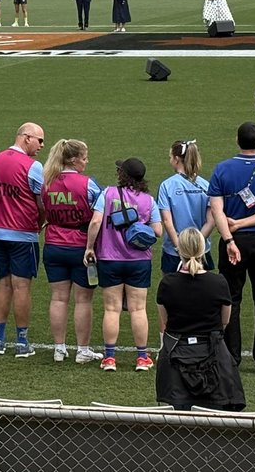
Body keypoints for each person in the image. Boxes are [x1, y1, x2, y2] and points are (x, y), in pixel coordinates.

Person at [209, 121, 255, 372]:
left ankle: (231, 357)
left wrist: (230, 237)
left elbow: (217, 210)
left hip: (232, 242)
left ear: (237, 140)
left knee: (231, 299)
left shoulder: (222, 170)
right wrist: (243, 224)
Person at [84, 157, 162, 372]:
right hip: (139, 260)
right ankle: (142, 358)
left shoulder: (107, 194)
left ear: (122, 174)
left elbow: (96, 221)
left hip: (109, 259)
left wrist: (90, 247)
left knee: (111, 309)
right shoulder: (148, 200)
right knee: (138, 309)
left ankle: (109, 358)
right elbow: (158, 231)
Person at [155, 228, 244, 411]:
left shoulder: (168, 283)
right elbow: (224, 322)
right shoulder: (219, 282)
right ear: (203, 250)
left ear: (180, 251)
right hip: (214, 355)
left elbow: (165, 323)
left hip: (176, 359)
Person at [0, 122, 46, 357]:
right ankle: (22, 341)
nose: (41, 145)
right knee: (22, 286)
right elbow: (42, 203)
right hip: (22, 232)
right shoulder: (33, 166)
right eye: (39, 140)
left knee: (3, 283)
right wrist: (40, 222)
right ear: (26, 137)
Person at [41, 138, 103, 365]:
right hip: (80, 246)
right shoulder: (87, 184)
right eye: (84, 158)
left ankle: (59, 349)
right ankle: (82, 350)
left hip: (53, 245)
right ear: (74, 159)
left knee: (58, 298)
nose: (86, 162)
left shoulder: (47, 182)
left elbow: (44, 209)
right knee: (83, 301)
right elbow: (99, 213)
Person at [157, 138, 214, 274]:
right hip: (201, 251)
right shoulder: (206, 185)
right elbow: (211, 221)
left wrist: (181, 247)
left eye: (170, 157)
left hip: (174, 251)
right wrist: (196, 245)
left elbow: (167, 222)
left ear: (176, 159)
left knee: (173, 292)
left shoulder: (167, 185)